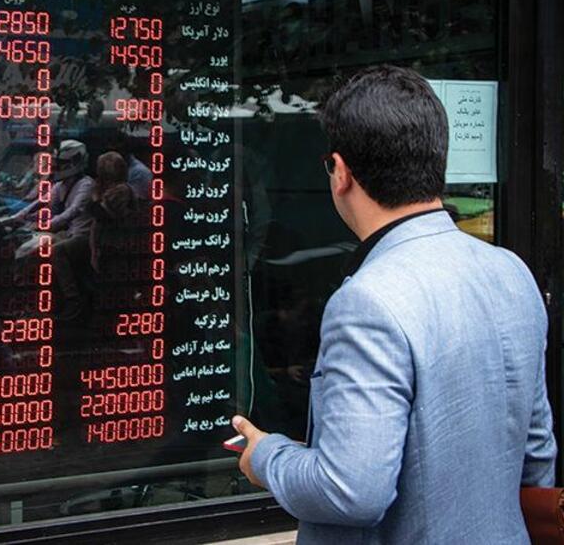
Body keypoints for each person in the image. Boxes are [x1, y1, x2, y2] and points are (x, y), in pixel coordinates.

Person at [232, 65, 557, 543]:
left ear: (340, 172)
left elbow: (350, 491)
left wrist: (267, 456)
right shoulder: (510, 271)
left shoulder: (367, 302)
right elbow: (537, 453)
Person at [53, 151, 137, 320]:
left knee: (58, 251)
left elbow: (101, 212)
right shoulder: (105, 188)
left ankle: (73, 299)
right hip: (98, 240)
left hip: (112, 242)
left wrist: (95, 197)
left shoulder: (121, 190)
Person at [8, 140, 95, 258]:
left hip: (80, 236)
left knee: (52, 252)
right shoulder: (61, 184)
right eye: (56, 162)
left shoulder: (86, 184)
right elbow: (44, 201)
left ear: (74, 163)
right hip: (65, 233)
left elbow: (73, 211)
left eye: (61, 163)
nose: (56, 167)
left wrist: (46, 224)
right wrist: (19, 216)